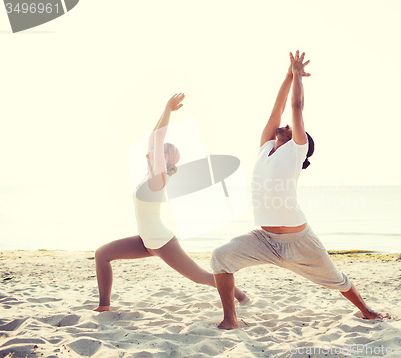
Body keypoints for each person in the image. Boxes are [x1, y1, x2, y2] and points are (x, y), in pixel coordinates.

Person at [210, 51, 385, 329]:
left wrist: (298, 79)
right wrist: (287, 75)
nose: (287, 126)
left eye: (293, 129)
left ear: (300, 145)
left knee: (335, 279)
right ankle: (230, 319)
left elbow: (296, 106)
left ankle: (366, 310)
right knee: (220, 257)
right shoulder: (266, 147)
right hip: (263, 239)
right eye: (288, 127)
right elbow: (276, 109)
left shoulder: (294, 152)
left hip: (299, 241)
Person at [94, 93, 248, 312]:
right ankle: (104, 306)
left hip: (162, 241)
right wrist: (163, 113)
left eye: (160, 150)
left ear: (165, 159)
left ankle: (241, 296)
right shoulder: (148, 176)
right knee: (102, 254)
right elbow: (152, 140)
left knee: (201, 277)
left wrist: (167, 110)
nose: (154, 149)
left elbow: (156, 139)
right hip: (146, 241)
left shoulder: (158, 179)